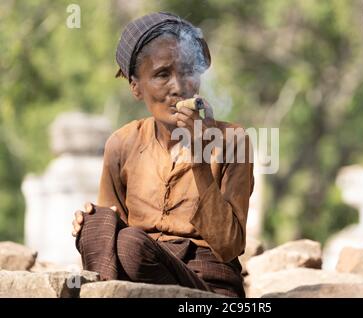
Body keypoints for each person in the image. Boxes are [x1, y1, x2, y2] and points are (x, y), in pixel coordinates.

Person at [71, 12, 254, 298]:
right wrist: (92, 221)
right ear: (135, 86)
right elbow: (112, 230)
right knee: (97, 225)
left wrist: (200, 155)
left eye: (188, 71)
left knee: (132, 243)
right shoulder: (122, 143)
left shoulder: (233, 141)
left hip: (208, 286)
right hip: (141, 269)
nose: (179, 87)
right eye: (162, 74)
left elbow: (229, 245)